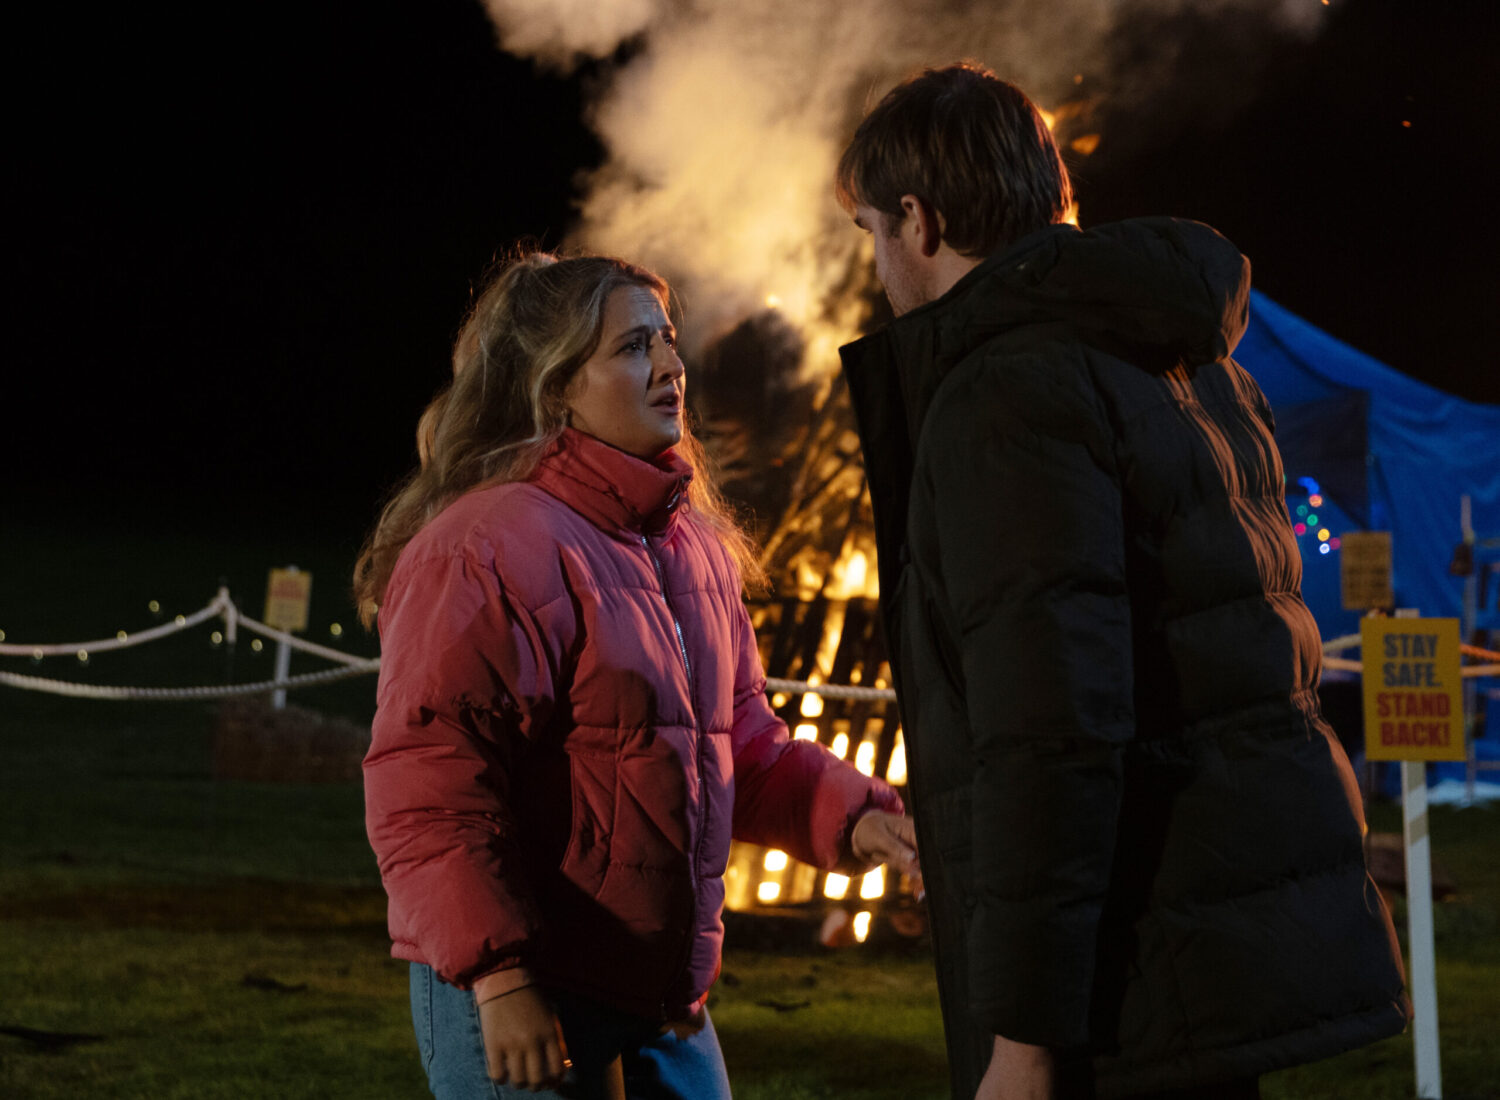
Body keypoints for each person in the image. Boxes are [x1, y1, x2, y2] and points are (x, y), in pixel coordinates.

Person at [834, 63, 1409, 1100]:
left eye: (871, 230)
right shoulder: (1185, 361)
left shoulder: (1006, 391)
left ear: (920, 220)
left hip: (1125, 987)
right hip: (1202, 956)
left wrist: (1024, 1033)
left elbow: (1049, 727)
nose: (876, 262)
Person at [354, 251, 917, 1100]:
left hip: (659, 995)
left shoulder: (692, 549)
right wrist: (501, 982)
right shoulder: (485, 549)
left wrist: (859, 817)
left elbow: (745, 749)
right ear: (556, 388)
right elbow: (431, 789)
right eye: (631, 347)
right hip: (520, 989)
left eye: (668, 340)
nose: (671, 366)